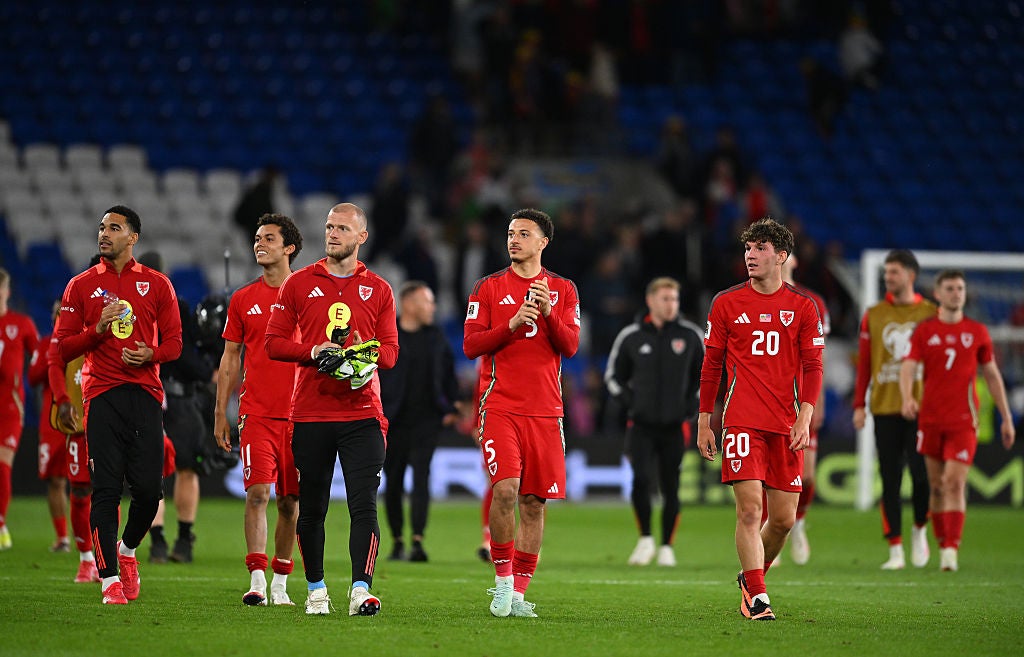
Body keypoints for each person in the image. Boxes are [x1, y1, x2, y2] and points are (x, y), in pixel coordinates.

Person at [265, 202, 398, 617]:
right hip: (311, 412)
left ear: (362, 237)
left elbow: (390, 352)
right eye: (328, 227)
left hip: (362, 414)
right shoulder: (298, 283)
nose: (332, 234)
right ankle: (316, 590)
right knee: (312, 508)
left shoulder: (379, 289)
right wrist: (314, 351)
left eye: (342, 228)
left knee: (364, 505)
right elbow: (273, 343)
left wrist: (362, 355)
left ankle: (361, 590)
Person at [696, 217, 824, 622]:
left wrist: (806, 415)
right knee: (751, 511)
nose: (750, 255)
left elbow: (814, 366)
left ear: (782, 255)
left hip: (786, 424)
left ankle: (750, 579)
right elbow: (711, 366)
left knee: (783, 520)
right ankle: (758, 597)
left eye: (761, 248)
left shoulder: (803, 307)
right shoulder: (726, 302)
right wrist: (704, 420)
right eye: (748, 248)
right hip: (742, 421)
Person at [54, 205, 183, 605]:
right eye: (101, 227)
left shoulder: (157, 284)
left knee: (149, 492)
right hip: (102, 395)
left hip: (145, 394)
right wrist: (96, 330)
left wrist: (151, 354)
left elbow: (175, 343)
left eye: (114, 227)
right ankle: (109, 580)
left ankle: (127, 551)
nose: (104, 233)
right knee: (105, 490)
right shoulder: (80, 285)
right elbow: (63, 348)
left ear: (133, 237)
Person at [463, 208, 581, 618]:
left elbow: (570, 346)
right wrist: (512, 323)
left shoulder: (563, 289)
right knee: (505, 490)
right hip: (500, 405)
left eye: (524, 234)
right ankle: (501, 583)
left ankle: (518, 592)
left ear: (543, 242)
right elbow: (471, 345)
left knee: (534, 503)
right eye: (511, 233)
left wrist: (548, 313)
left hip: (546, 411)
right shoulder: (488, 287)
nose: (514, 239)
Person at [899, 270, 1015, 572]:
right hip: (930, 420)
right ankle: (942, 542)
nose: (956, 293)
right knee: (936, 486)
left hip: (963, 421)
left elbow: (992, 375)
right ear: (938, 294)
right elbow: (908, 366)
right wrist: (907, 397)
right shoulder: (925, 331)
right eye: (949, 288)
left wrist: (1006, 417)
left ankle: (951, 549)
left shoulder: (977, 332)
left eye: (960, 288)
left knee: (954, 482)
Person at [214, 213, 303, 606]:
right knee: (257, 494)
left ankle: (281, 582)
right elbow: (230, 358)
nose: (259, 244)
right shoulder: (243, 299)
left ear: (289, 248)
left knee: (290, 502)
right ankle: (256, 581)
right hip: (257, 415)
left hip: (301, 416)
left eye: (269, 238)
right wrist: (221, 411)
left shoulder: (309, 295)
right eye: (256, 237)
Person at [604, 277, 703, 567]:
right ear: (650, 301)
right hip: (641, 425)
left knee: (672, 486)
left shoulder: (691, 336)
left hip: (675, 426)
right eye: (665, 299)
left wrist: (691, 405)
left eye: (674, 299)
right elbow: (613, 377)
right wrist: (630, 402)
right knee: (641, 480)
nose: (671, 305)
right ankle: (645, 539)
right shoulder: (632, 336)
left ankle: (667, 546)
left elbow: (706, 376)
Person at [852, 249, 936, 570]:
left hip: (922, 409)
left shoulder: (930, 313)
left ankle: (919, 528)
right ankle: (896, 548)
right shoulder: (874, 314)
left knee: (921, 476)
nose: (888, 277)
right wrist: (859, 405)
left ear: (911, 276)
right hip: (885, 407)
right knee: (889, 479)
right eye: (886, 271)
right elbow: (865, 364)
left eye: (894, 272)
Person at [137, 250, 214, 565]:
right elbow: (184, 352)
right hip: (178, 398)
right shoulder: (175, 305)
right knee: (187, 468)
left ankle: (157, 541)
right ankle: (183, 538)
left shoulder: (129, 308)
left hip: (144, 396)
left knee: (151, 471)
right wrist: (207, 369)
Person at [379, 281, 462, 563]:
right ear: (409, 304)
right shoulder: (387, 335)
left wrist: (452, 404)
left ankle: (417, 540)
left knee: (422, 478)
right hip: (393, 420)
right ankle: (397, 540)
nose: (433, 308)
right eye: (428, 302)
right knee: (393, 481)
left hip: (427, 420)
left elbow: (448, 372)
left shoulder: (436, 336)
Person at [777, 252, 831, 565]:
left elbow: (818, 357)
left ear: (794, 260)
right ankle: (769, 532)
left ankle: (798, 523)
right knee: (767, 473)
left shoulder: (813, 302)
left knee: (806, 475)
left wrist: (816, 402)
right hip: (772, 398)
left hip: (803, 399)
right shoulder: (753, 296)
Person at [45, 300, 100, 582]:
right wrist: (62, 399)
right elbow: (54, 362)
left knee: (107, 489)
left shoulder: (116, 307)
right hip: (78, 417)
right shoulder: (68, 314)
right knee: (79, 490)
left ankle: (107, 558)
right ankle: (86, 558)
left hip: (106, 413)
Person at [0, 267, 40, 550]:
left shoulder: (21, 324)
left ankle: (1, 523)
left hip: (9, 408)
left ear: (7, 291)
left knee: (3, 465)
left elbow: (41, 357)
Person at [29, 301, 71, 553]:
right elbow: (33, 376)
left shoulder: (83, 343)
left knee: (88, 482)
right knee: (55, 480)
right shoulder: (45, 344)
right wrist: (53, 358)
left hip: (80, 417)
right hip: (51, 421)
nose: (60, 317)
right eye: (57, 313)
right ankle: (62, 537)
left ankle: (91, 539)